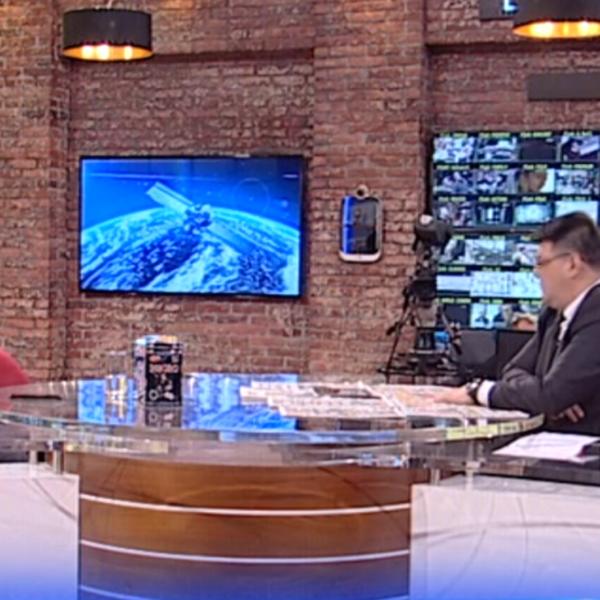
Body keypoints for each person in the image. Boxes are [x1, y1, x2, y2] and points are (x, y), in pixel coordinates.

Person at [438, 212, 600, 434]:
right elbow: (514, 370)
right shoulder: (554, 313)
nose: (536, 273)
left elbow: (550, 395)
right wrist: (548, 395)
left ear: (572, 264)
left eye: (541, 263)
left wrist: (478, 391)